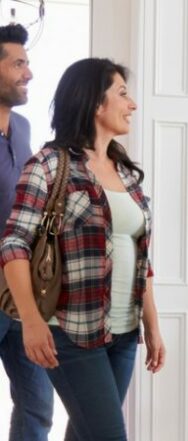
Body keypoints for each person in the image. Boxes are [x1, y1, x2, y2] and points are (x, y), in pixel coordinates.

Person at [0, 58, 166, 441]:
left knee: (86, 434)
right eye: (122, 94)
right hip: (72, 332)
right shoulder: (48, 164)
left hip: (123, 332)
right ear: (95, 102)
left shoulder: (124, 171)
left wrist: (152, 326)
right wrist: (31, 320)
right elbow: (13, 243)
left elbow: (143, 258)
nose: (133, 104)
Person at [0, 23, 55, 441]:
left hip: (22, 290)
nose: (29, 74)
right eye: (18, 63)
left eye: (28, 63)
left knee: (37, 402)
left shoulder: (21, 127)